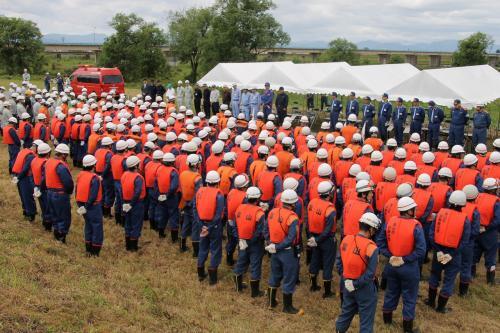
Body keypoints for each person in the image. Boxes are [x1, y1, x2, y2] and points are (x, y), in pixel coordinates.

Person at [378, 197, 426, 333]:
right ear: (409, 211)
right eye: (414, 209)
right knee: (410, 297)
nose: (416, 210)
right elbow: (421, 250)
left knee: (391, 293)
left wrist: (391, 256)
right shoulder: (416, 226)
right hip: (409, 267)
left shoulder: (390, 221)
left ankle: (387, 322)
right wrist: (405, 259)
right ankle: (407, 329)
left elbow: (380, 243)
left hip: (392, 265)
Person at [335, 212, 381, 333]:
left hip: (347, 284)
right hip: (365, 288)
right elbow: (371, 274)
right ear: (371, 229)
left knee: (345, 313)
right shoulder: (372, 247)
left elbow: (339, 263)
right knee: (366, 320)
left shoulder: (346, 239)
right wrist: (355, 284)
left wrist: (347, 278)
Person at [426, 191, 471, 313]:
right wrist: (452, 254)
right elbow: (464, 241)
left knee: (435, 275)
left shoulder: (440, 214)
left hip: (438, 251)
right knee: (449, 280)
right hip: (454, 254)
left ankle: (430, 301)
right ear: (463, 205)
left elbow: (432, 234)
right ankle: (441, 307)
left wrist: (438, 250)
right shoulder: (465, 220)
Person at [265, 189, 303, 314]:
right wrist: (278, 246)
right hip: (287, 252)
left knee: (274, 274)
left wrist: (270, 243)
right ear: (293, 204)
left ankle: (271, 302)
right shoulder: (293, 218)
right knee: (289, 277)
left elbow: (266, 229)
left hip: (274, 249)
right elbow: (291, 238)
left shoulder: (272, 212)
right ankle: (287, 307)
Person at [232, 186, 266, 296]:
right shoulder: (260, 213)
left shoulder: (239, 208)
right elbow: (260, 232)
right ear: (258, 199)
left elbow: (235, 226)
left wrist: (240, 239)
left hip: (242, 242)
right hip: (255, 244)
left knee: (241, 262)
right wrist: (251, 241)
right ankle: (255, 293)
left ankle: (238, 287)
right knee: (255, 266)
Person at [194, 170, 225, 284]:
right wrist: (210, 227)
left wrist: (202, 225)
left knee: (203, 248)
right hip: (214, 226)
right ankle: (212, 279)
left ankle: (201, 274)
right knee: (215, 250)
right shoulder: (219, 195)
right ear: (218, 182)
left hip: (202, 225)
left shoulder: (199, 191)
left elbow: (195, 209)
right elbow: (218, 214)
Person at [307, 181, 337, 298]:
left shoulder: (312, 202)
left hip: (314, 237)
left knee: (315, 260)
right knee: (328, 264)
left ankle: (313, 286)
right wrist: (318, 240)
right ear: (329, 193)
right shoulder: (330, 209)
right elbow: (329, 229)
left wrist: (312, 238)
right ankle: (327, 292)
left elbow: (308, 220)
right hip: (326, 240)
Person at [44, 144, 74, 243]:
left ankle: (57, 233)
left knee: (55, 215)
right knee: (63, 216)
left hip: (50, 193)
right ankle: (61, 237)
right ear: (64, 155)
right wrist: (69, 193)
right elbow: (68, 183)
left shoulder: (49, 162)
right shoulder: (60, 166)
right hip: (60, 195)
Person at [472, 178, 499, 285]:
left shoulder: (477, 196)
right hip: (489, 232)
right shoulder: (496, 201)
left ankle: (470, 276)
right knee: (491, 257)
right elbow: (497, 220)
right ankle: (490, 281)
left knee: (474, 254)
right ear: (494, 189)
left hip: (476, 230)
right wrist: (487, 228)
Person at [76, 155, 104, 257]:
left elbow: (77, 190)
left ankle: (88, 248)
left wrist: (81, 206)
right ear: (93, 165)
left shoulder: (80, 174)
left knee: (88, 225)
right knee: (96, 227)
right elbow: (93, 194)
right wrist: (87, 206)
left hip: (82, 205)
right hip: (93, 206)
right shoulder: (94, 178)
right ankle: (95, 251)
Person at [459, 185, 481, 296]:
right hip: (468, 242)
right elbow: (475, 230)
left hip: (454, 241)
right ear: (475, 197)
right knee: (466, 265)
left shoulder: (456, 205)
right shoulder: (475, 211)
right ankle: (463, 292)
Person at [121, 156, 146, 251]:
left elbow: (122, 189)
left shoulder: (124, 174)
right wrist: (132, 204)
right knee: (136, 224)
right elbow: (137, 192)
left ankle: (128, 245)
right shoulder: (138, 177)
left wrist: (126, 203)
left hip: (126, 202)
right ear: (136, 165)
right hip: (136, 203)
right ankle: (133, 247)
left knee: (128, 223)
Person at [179, 154, 203, 254]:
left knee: (185, 224)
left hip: (185, 202)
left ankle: (182, 246)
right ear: (196, 164)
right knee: (195, 227)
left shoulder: (183, 174)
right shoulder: (197, 177)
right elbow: (199, 193)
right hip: (194, 204)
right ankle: (196, 251)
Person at [154, 153, 180, 242]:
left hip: (161, 195)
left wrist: (158, 195)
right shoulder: (173, 171)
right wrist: (167, 195)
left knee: (162, 214)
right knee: (173, 215)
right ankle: (174, 238)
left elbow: (156, 183)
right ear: (172, 161)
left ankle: (161, 233)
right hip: (171, 197)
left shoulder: (159, 169)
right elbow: (173, 186)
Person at [11, 140, 37, 222]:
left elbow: (16, 162)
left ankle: (26, 211)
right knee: (27, 196)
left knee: (23, 195)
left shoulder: (23, 151)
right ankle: (31, 214)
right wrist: (18, 177)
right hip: (24, 177)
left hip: (18, 175)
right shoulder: (31, 156)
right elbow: (25, 169)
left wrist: (16, 176)